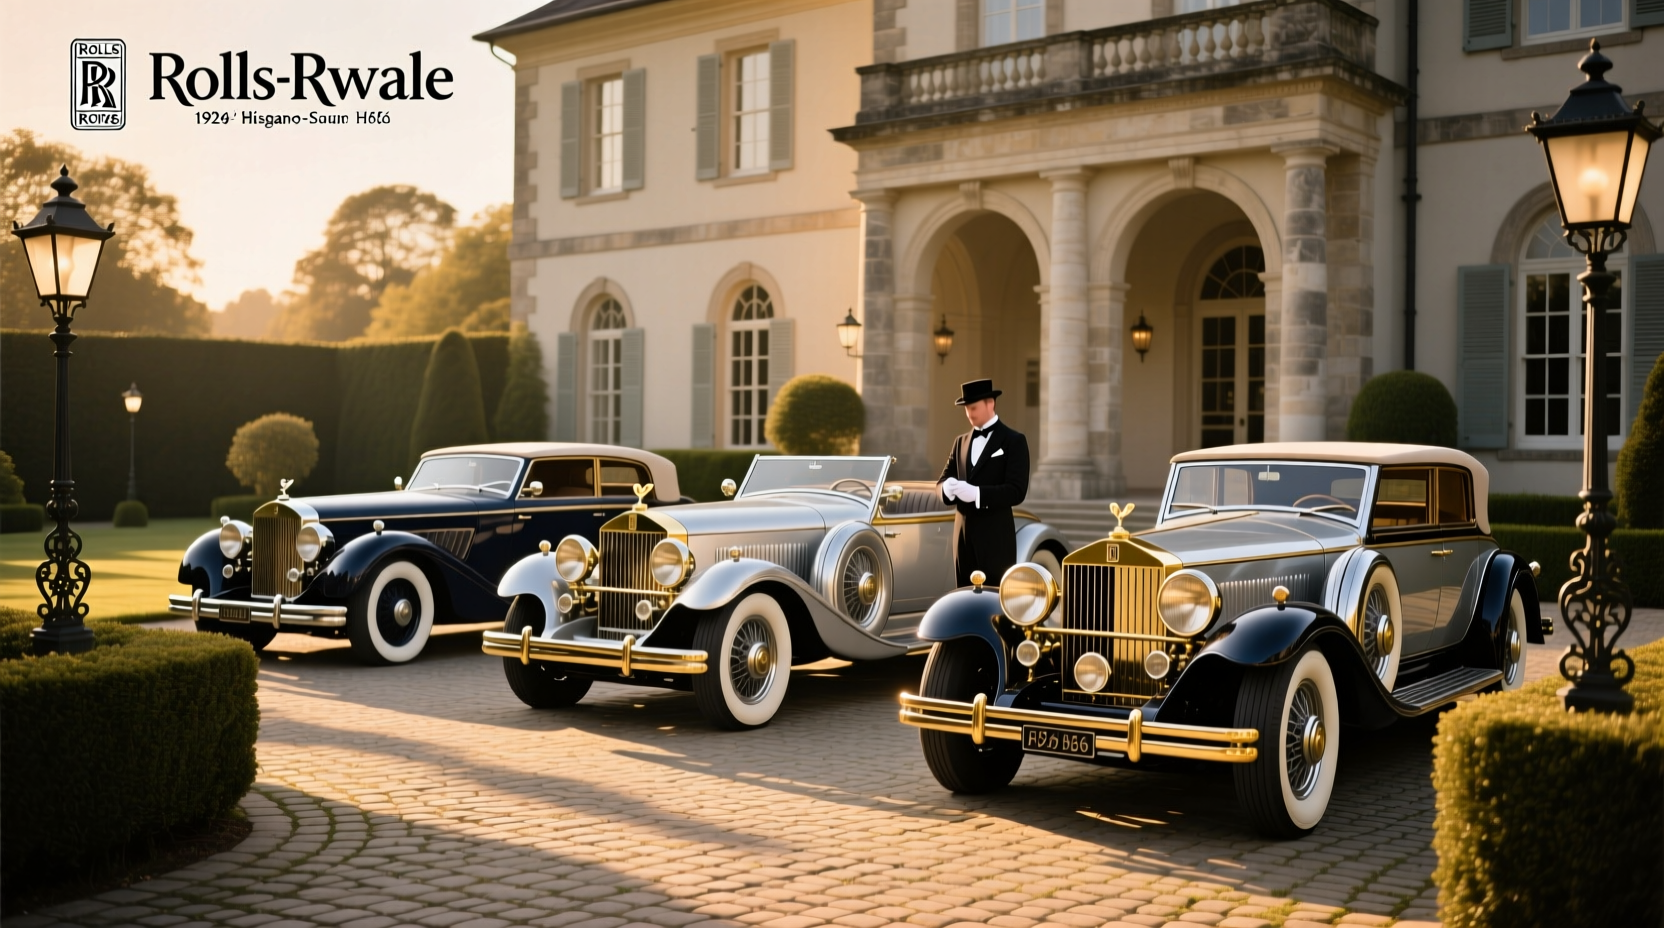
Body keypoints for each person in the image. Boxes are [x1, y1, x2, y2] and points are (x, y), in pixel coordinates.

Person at [937, 379, 1031, 588]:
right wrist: (946, 488)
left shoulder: (1014, 440)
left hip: (995, 537)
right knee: (962, 598)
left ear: (991, 403)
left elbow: (1017, 491)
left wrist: (978, 494)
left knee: (994, 600)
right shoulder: (959, 442)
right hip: (962, 538)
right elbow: (941, 481)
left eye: (973, 407)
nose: (969, 413)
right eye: (966, 409)